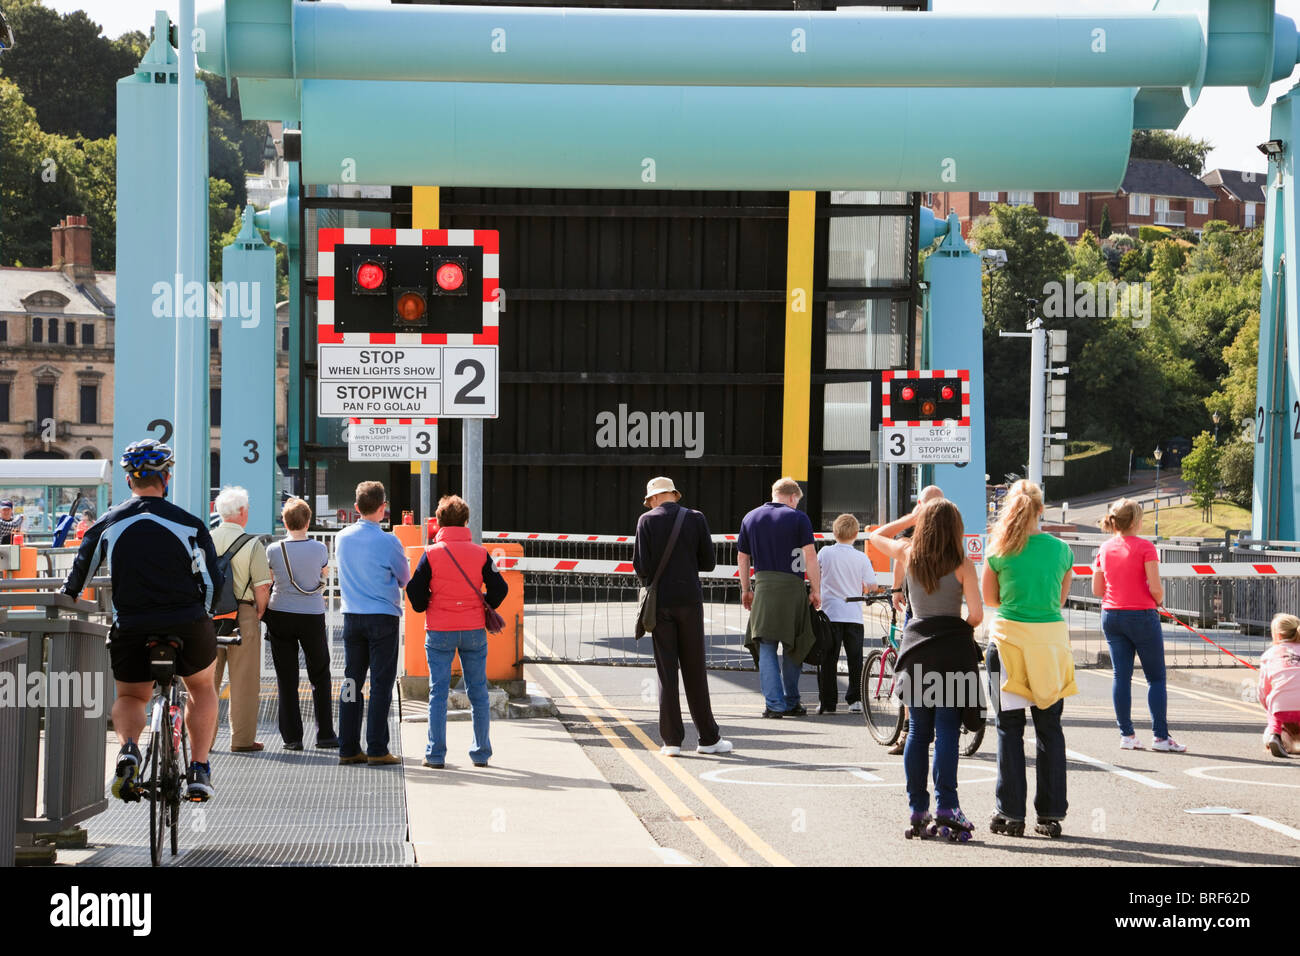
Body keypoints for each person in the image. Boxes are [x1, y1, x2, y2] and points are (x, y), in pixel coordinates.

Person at [61, 439, 223, 801]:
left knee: (132, 695)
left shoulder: (107, 523)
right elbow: (213, 583)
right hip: (186, 621)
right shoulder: (190, 524)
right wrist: (206, 617)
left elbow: (78, 581)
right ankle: (198, 769)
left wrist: (67, 592)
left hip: (132, 625)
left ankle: (130, 750)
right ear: (165, 479)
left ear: (129, 481)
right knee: (200, 688)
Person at [872, 499, 983, 839]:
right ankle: (947, 806)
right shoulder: (962, 563)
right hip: (952, 650)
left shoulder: (908, 553)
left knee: (919, 731)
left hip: (916, 646)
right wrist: (955, 627)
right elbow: (977, 615)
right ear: (955, 528)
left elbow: (874, 535)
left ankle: (917, 808)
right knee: (948, 727)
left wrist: (910, 517)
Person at [981, 480, 1076, 838]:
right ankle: (1050, 813)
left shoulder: (999, 549)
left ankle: (1010, 812)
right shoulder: (1062, 550)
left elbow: (991, 600)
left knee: (1009, 728)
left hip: (1008, 644)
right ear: (1041, 511)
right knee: (1049, 728)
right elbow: (1060, 601)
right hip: (1050, 644)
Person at [405, 495, 508, 768]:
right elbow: (501, 589)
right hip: (473, 628)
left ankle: (436, 755)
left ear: (438, 523)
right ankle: (481, 753)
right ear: (465, 521)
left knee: (438, 693)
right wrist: (484, 603)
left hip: (439, 629)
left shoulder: (430, 554)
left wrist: (427, 604)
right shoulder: (481, 554)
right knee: (478, 693)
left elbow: (414, 590)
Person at [632, 477, 732, 755]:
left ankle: (672, 741)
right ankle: (709, 739)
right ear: (674, 495)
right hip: (690, 600)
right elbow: (709, 563)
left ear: (653, 498)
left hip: (660, 603)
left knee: (667, 672)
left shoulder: (646, 521)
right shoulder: (696, 518)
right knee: (695, 670)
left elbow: (641, 567)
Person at [1092, 498, 1186, 752]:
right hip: (1142, 615)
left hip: (1111, 615)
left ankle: (1127, 736)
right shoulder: (1146, 547)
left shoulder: (1104, 549)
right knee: (1155, 678)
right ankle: (1161, 738)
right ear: (1134, 522)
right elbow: (1156, 589)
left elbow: (1097, 589)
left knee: (1120, 676)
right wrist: (1158, 598)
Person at [336, 481, 410, 766]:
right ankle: (377, 748)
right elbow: (404, 578)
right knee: (381, 683)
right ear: (383, 508)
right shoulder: (389, 541)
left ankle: (348, 747)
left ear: (356, 508)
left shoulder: (342, 538)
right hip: (382, 617)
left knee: (351, 681)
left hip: (352, 617)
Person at [739, 477, 821, 718]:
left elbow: (742, 557)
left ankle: (774, 705)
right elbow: (811, 557)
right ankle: (792, 701)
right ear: (793, 497)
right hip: (793, 588)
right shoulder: (798, 518)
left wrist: (746, 589)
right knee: (793, 645)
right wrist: (816, 590)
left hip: (763, 587)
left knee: (765, 644)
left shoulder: (750, 517)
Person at [264, 497, 337, 750]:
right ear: (308, 521)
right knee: (320, 674)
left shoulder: (273, 550)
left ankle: (292, 738)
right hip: (311, 615)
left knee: (287, 677)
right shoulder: (319, 549)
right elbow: (323, 575)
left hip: (280, 613)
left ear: (284, 521)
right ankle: (325, 734)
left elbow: (271, 579)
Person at [209, 486, 271, 753]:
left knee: (206, 681)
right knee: (243, 681)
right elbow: (262, 588)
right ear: (243, 512)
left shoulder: (205, 540)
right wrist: (258, 611)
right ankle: (242, 740)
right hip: (242, 614)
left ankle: (204, 741)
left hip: (208, 616)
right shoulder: (252, 544)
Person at [885, 484, 945, 754]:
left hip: (918, 611)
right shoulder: (950, 532)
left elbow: (881, 539)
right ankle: (945, 726)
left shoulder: (912, 539)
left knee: (909, 670)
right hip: (947, 612)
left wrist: (897, 589)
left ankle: (909, 730)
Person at [816, 513, 878, 715]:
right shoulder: (861, 557)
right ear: (856, 534)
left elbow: (814, 574)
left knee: (828, 659)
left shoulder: (825, 552)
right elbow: (872, 585)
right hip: (853, 614)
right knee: (855, 659)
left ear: (834, 532)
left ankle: (828, 702)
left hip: (830, 614)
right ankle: (855, 700)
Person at [1258, 613, 1300, 758]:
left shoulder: (1269, 654)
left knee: (1273, 700)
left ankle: (1275, 735)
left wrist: (1271, 707)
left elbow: (1263, 692)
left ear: (1278, 635)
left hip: (1281, 707)